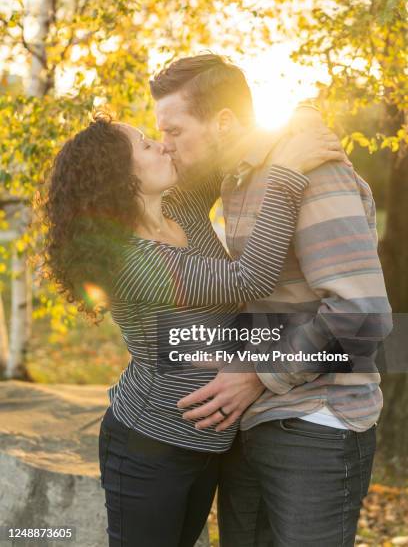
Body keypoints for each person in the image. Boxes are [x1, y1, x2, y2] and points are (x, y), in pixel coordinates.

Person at [40, 110, 343, 547]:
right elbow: (248, 279)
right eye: (146, 144)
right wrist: (287, 171)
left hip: (210, 445)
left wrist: (298, 122)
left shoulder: (179, 204)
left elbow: (226, 150)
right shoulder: (132, 261)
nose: (163, 144)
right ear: (119, 178)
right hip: (149, 449)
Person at [149, 54, 393, 546]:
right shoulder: (236, 179)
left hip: (316, 424)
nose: (164, 144)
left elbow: (363, 316)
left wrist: (257, 373)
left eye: (173, 130)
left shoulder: (316, 174)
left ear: (222, 122)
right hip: (256, 421)